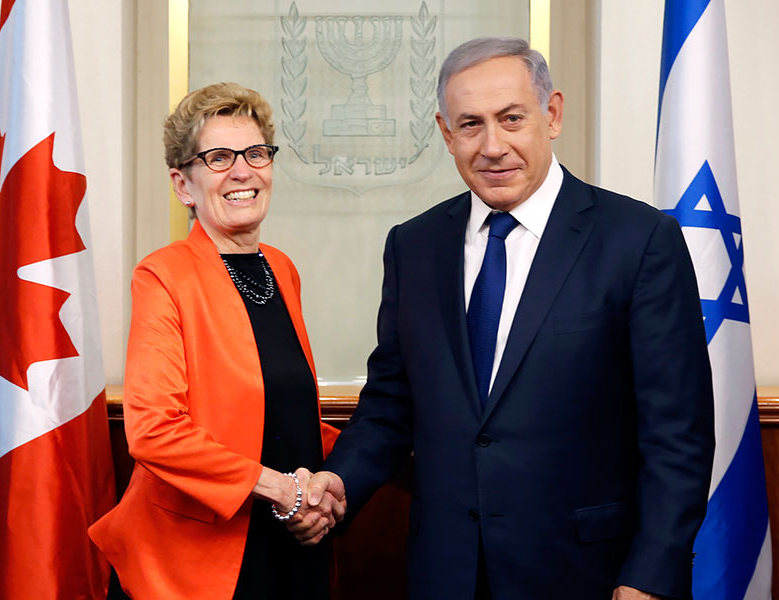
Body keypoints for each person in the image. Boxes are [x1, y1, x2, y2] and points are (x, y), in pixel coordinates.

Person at [298, 37, 715, 599]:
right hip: (445, 572)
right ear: (447, 134)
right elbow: (391, 405)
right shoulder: (414, 246)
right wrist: (338, 481)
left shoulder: (639, 241)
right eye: (471, 125)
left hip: (588, 576)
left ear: (552, 114)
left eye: (512, 118)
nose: (493, 145)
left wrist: (649, 577)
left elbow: (678, 435)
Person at [88, 82, 345, 600]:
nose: (243, 170)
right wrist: (284, 491)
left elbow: (280, 411)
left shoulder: (281, 269)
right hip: (198, 559)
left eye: (255, 153)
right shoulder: (163, 275)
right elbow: (155, 431)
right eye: (219, 157)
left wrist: (332, 484)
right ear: (184, 184)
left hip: (291, 540)